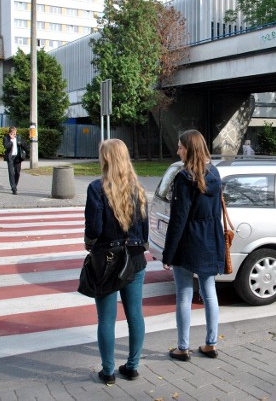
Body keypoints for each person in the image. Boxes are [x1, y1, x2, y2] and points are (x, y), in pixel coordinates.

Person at [84, 139, 149, 386]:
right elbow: (143, 233)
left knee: (106, 319)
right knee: (135, 315)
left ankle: (108, 372)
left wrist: (89, 242)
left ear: (107, 159)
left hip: (106, 261)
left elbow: (95, 228)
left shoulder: (96, 188)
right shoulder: (138, 189)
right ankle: (132, 367)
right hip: (134, 259)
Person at [162, 129, 225, 361]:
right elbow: (216, 213)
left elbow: (179, 220)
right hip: (209, 239)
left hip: (188, 242)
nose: (177, 150)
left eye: (180, 147)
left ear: (189, 148)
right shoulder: (215, 173)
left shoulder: (184, 177)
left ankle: (183, 347)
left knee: (184, 295)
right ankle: (211, 344)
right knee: (210, 293)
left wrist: (168, 253)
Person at [2, 126, 29, 194]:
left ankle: (15, 185)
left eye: (15, 133)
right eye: (13, 133)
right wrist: (11, 140)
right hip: (10, 157)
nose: (15, 134)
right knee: (11, 173)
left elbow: (26, 146)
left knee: (17, 172)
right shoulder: (6, 138)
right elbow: (6, 146)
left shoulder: (18, 137)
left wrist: (21, 143)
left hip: (17, 157)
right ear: (10, 133)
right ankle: (13, 188)